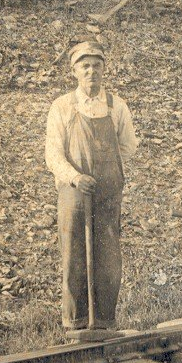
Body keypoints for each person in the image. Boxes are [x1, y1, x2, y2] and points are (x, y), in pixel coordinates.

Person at [45, 39, 139, 337]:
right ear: (74, 71)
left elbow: (128, 146)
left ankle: (104, 322)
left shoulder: (115, 105)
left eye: (97, 65)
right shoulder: (62, 106)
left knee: (108, 256)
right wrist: (75, 176)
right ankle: (75, 324)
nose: (91, 71)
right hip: (73, 192)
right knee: (74, 255)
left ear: (104, 69)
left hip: (108, 192)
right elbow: (53, 153)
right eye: (85, 66)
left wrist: (108, 170)